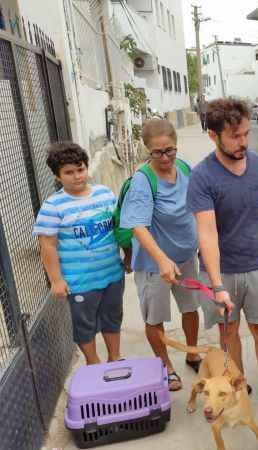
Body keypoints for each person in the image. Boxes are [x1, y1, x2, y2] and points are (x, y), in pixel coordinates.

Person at [187, 97, 258, 427]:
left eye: (246, 133)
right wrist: (217, 285)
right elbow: (207, 234)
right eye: (234, 136)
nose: (242, 142)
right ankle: (239, 387)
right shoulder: (203, 176)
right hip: (224, 271)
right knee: (229, 332)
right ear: (213, 136)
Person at [120, 119, 203, 391]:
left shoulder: (183, 167)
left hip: (186, 256)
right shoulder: (143, 181)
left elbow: (195, 203)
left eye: (169, 150)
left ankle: (192, 353)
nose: (165, 157)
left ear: (176, 146)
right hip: (155, 264)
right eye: (157, 152)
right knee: (154, 317)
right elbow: (137, 225)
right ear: (147, 150)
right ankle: (166, 365)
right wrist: (162, 259)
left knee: (191, 308)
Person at [33, 142, 124, 365]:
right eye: (69, 172)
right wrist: (56, 280)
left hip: (112, 274)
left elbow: (120, 229)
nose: (77, 176)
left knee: (113, 318)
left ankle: (115, 357)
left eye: (80, 169)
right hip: (80, 282)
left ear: (86, 167)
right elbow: (48, 246)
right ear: (57, 176)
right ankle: (93, 363)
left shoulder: (105, 195)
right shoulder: (53, 206)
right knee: (85, 325)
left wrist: (128, 257)